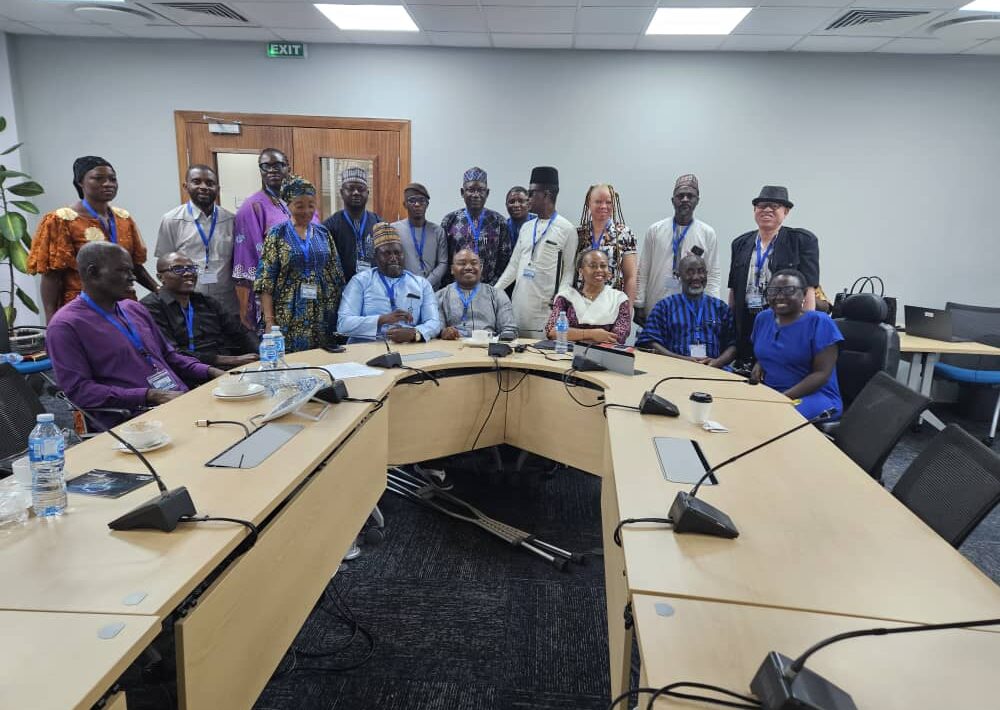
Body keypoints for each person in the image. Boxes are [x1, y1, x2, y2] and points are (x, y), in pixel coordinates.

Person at [47, 242, 223, 427]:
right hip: (134, 420)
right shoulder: (65, 326)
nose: (132, 278)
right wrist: (150, 395)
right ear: (93, 272)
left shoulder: (133, 308)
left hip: (177, 402)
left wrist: (211, 371)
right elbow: (80, 391)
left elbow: (169, 356)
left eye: (131, 270)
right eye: (123, 270)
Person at [28, 156, 158, 322]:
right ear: (80, 182)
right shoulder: (61, 219)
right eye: (98, 178)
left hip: (124, 304)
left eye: (112, 179)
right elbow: (52, 276)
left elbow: (135, 267)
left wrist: (158, 289)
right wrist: (51, 320)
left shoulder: (123, 218)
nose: (107, 184)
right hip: (83, 308)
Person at [728, 185, 820, 363]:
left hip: (782, 319)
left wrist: (804, 327)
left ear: (786, 211)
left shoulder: (801, 241)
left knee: (773, 366)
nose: (767, 210)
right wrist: (731, 324)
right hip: (746, 318)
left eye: (774, 206)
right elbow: (733, 288)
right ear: (755, 210)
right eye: (762, 206)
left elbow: (809, 288)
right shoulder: (740, 243)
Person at [255, 176, 345, 353]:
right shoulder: (277, 234)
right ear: (288, 206)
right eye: (300, 205)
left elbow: (336, 273)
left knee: (322, 358)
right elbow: (265, 281)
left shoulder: (323, 233)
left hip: (322, 311)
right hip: (288, 312)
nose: (306, 211)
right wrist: (270, 321)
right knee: (292, 361)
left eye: (311, 205)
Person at [233, 149, 319, 330]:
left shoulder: (304, 202)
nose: (272, 170)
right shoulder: (252, 207)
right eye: (266, 166)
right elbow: (249, 260)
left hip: (310, 295)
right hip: (277, 297)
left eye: (278, 165)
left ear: (288, 167)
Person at [495, 166, 577, 339]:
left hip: (544, 313)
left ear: (546, 194)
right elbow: (513, 266)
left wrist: (558, 303)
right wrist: (493, 293)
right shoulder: (527, 227)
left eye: (532, 193)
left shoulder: (567, 229)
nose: (528, 198)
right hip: (517, 310)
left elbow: (569, 272)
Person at [752, 269, 843, 420]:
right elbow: (766, 350)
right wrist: (760, 363)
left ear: (804, 294)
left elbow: (821, 375)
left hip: (814, 396)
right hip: (771, 392)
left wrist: (780, 398)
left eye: (789, 290)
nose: (780, 296)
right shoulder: (763, 318)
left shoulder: (820, 322)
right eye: (773, 290)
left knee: (771, 417)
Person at [142, 252, 258, 370]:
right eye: (178, 269)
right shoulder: (151, 307)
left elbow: (241, 333)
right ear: (160, 277)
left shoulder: (206, 301)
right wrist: (230, 360)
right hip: (189, 372)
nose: (188, 273)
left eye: (192, 268)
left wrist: (262, 352)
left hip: (229, 366)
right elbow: (172, 353)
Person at [155, 164, 239, 318]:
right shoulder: (172, 220)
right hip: (188, 301)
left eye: (210, 183)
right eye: (197, 181)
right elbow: (164, 264)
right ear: (186, 186)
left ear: (218, 189)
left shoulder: (231, 220)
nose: (204, 187)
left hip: (226, 302)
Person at [635, 174, 720, 325]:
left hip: (692, 309)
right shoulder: (655, 230)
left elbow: (712, 274)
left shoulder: (707, 233)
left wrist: (711, 307)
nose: (685, 199)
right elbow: (643, 269)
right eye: (681, 196)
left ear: (697, 201)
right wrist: (639, 303)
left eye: (690, 196)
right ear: (673, 200)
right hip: (656, 305)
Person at [337, 222, 441, 344]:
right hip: (366, 348)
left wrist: (415, 333)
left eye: (397, 253)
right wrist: (381, 319)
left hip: (408, 349)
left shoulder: (421, 284)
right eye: (386, 253)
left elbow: (434, 322)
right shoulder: (360, 281)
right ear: (375, 257)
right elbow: (343, 324)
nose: (393, 258)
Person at [635, 254, 736, 368]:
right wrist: (681, 360)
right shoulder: (664, 307)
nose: (696, 277)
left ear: (706, 274)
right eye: (690, 272)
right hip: (673, 370)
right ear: (679, 276)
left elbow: (733, 345)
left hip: (714, 371)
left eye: (701, 271)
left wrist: (718, 362)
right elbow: (649, 342)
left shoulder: (720, 308)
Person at [440, 167, 512, 286]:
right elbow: (443, 259)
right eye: (471, 190)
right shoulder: (449, 220)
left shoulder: (499, 221)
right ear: (462, 192)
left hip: (489, 289)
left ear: (487, 193)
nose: (476, 195)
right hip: (456, 289)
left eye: (481, 190)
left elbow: (505, 259)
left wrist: (492, 288)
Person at [545, 249, 630, 345]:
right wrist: (592, 334)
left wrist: (572, 334)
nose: (599, 270)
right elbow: (552, 332)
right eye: (592, 266)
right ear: (581, 271)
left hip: (604, 356)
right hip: (566, 354)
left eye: (603, 266)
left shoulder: (619, 299)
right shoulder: (566, 297)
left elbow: (617, 338)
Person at [437, 248, 517, 341]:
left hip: (489, 347)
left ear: (481, 268)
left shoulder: (497, 295)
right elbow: (436, 329)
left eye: (474, 263)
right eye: (462, 263)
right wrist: (444, 332)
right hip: (453, 347)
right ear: (452, 269)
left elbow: (509, 329)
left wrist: (501, 341)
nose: (468, 267)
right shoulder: (440, 296)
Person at [576, 183, 638, 302]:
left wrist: (628, 310)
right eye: (598, 202)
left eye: (608, 202)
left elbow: (630, 277)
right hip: (581, 304)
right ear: (589, 203)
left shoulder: (624, 234)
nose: (604, 206)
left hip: (613, 305)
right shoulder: (579, 234)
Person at [323, 166, 382, 284]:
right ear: (341, 192)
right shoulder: (329, 226)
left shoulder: (378, 223)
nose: (356, 193)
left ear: (367, 193)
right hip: (341, 290)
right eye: (350, 189)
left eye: (361, 189)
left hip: (373, 289)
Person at [391, 182, 447, 288]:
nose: (417, 204)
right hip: (404, 288)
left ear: (427, 204)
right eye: (412, 200)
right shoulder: (394, 229)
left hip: (431, 290)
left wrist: (427, 283)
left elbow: (443, 263)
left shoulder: (438, 231)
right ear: (405, 204)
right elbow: (392, 261)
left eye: (421, 200)